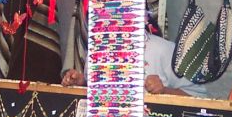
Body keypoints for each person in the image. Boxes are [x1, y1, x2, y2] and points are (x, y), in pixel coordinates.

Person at [61, 31, 208, 98]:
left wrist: (164, 91)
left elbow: (200, 98)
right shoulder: (97, 49)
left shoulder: (162, 49)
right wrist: (81, 83)